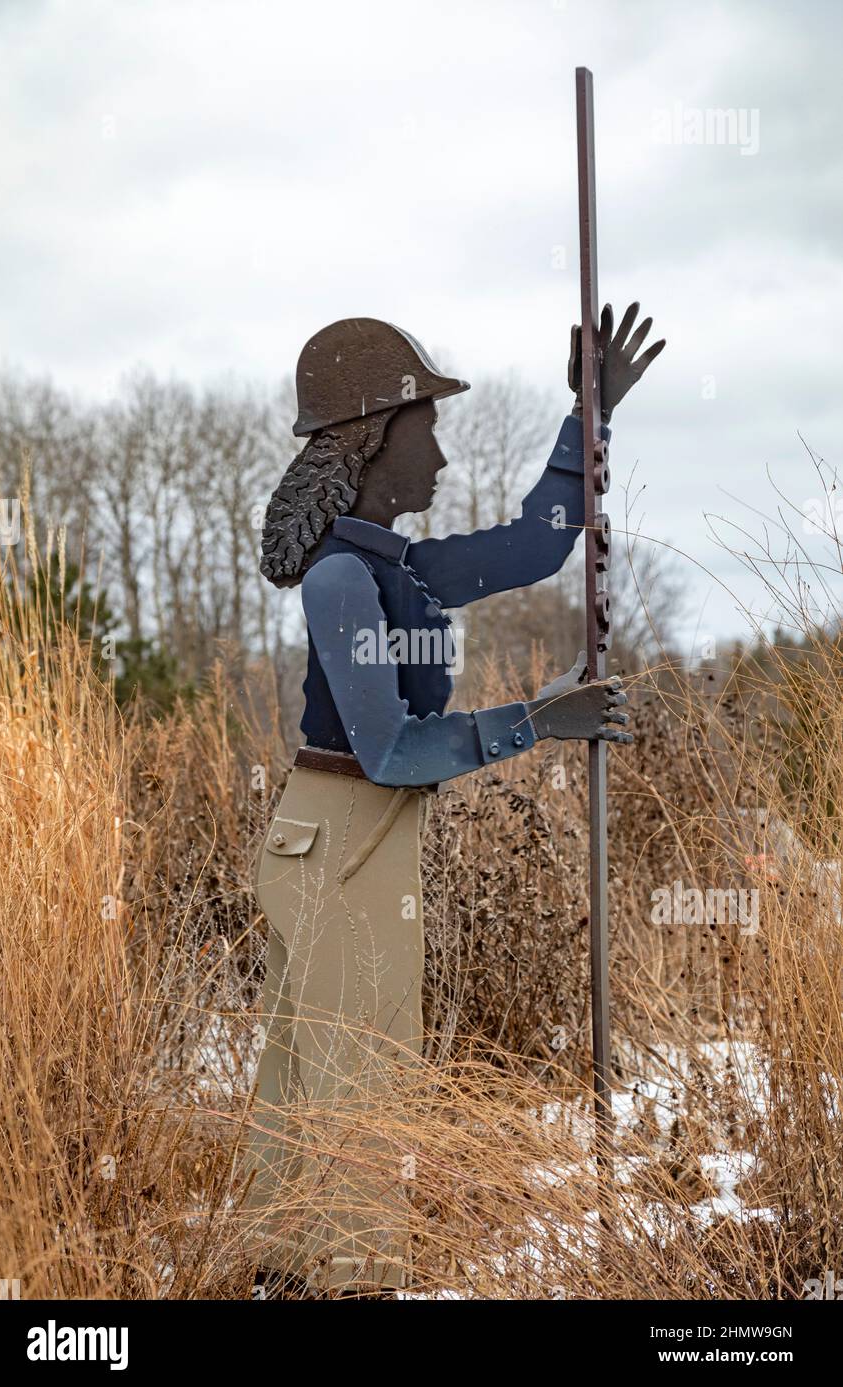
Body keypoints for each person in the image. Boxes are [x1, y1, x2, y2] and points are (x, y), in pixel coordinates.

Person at [243, 308, 664, 1294]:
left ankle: (291, 1273)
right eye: (423, 425)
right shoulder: (341, 579)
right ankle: (349, 1281)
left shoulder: (401, 571)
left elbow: (533, 546)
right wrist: (537, 719)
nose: (439, 449)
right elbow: (388, 747)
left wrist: (587, 415)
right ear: (371, 438)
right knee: (356, 1086)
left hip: (351, 832)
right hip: (342, 834)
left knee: (313, 1080)